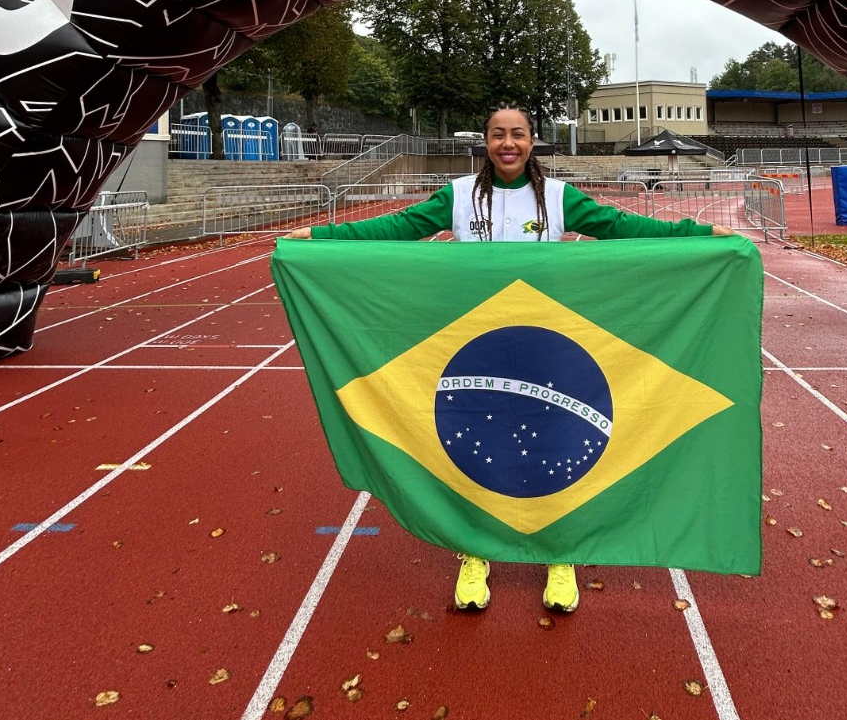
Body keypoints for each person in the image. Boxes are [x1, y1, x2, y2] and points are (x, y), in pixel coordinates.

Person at [288, 103, 733, 613]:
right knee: (476, 453)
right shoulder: (457, 197)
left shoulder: (559, 197)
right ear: (485, 141)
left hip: (547, 349)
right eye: (498, 134)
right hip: (474, 353)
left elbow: (620, 226)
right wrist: (321, 237)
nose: (507, 143)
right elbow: (398, 227)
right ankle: (475, 551)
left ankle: (558, 553)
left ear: (532, 141)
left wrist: (696, 235)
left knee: (555, 448)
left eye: (517, 134)